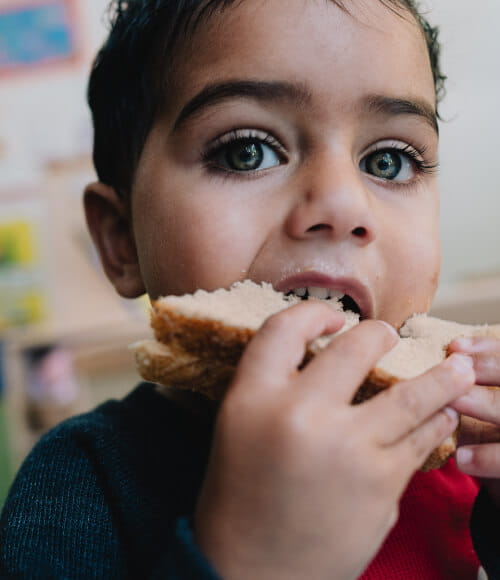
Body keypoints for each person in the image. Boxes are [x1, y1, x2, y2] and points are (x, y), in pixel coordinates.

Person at [1, 0, 500, 578]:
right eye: (247, 151)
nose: (342, 205)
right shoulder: (82, 482)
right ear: (121, 241)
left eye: (388, 161)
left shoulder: (462, 448)